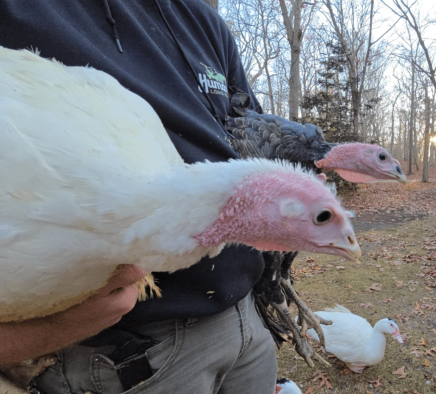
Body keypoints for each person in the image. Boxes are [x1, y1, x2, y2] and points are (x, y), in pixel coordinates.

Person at [0, 1, 276, 393]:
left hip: (244, 324)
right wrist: (44, 332)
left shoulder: (201, 20)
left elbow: (247, 141)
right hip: (124, 358)